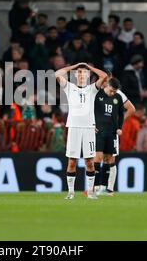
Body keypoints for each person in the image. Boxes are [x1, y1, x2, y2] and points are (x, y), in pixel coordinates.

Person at [55, 62, 107, 200]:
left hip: (89, 128)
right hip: (73, 127)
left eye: (84, 72)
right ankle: (71, 192)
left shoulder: (92, 89)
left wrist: (89, 67)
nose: (81, 74)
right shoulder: (69, 87)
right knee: (72, 161)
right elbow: (57, 74)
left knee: (89, 162)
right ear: (75, 74)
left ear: (88, 74)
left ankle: (90, 192)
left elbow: (104, 76)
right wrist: (74, 66)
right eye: (79, 72)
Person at [93, 77, 124, 196]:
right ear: (106, 85)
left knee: (108, 158)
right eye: (111, 91)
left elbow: (121, 114)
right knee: (98, 157)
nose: (112, 93)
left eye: (114, 92)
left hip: (111, 132)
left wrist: (119, 127)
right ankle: (94, 187)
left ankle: (104, 188)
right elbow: (89, 110)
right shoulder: (97, 95)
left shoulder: (118, 97)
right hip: (99, 132)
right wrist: (92, 124)